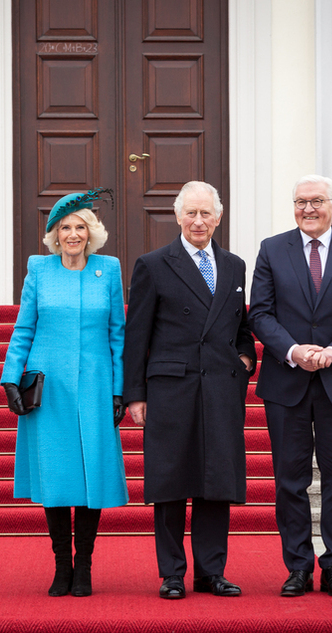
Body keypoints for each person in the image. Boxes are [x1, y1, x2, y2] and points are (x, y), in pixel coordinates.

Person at [248, 175, 332, 598]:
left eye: (317, 201)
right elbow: (261, 313)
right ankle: (298, 566)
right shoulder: (272, 249)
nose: (308, 208)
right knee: (290, 480)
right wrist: (292, 350)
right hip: (286, 382)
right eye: (301, 201)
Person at [124, 180, 256, 600]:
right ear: (178, 217)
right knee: (171, 481)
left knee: (216, 480)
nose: (198, 221)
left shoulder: (235, 265)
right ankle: (173, 573)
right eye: (191, 213)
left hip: (220, 386)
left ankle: (211, 572)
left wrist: (246, 357)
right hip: (172, 388)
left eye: (206, 213)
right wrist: (136, 394)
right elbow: (137, 334)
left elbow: (239, 325)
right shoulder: (153, 263)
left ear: (218, 217)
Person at [1, 188, 128, 598]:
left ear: (91, 233)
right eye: (65, 228)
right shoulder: (39, 269)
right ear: (54, 235)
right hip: (48, 387)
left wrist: (118, 388)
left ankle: (85, 567)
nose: (72, 235)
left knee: (91, 474)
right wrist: (9, 379)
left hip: (94, 385)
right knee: (56, 476)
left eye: (80, 227)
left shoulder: (108, 270)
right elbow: (24, 328)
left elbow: (117, 335)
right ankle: (61, 566)